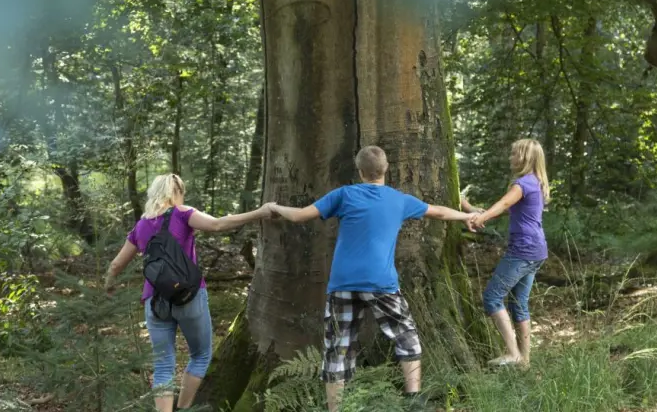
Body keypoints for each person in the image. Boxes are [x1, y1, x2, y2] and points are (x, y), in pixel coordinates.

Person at [268, 145, 478, 412]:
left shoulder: (344, 195)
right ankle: (413, 399)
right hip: (381, 283)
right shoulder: (399, 200)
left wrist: (274, 207)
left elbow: (299, 216)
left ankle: (335, 409)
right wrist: (468, 216)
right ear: (386, 168)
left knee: (337, 348)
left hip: (342, 284)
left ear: (360, 171)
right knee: (406, 335)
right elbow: (438, 212)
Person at [104, 173, 272, 412]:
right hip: (189, 296)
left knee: (163, 365)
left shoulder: (140, 226)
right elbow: (217, 224)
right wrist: (261, 212)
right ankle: (183, 408)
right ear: (177, 193)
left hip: (155, 302)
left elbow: (115, 265)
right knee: (201, 355)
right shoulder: (182, 213)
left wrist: (109, 285)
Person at [470, 138, 549, 367]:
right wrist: (472, 210)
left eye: (514, 154)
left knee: (492, 297)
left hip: (523, 250)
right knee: (518, 303)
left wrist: (482, 218)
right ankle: (524, 361)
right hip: (536, 250)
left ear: (524, 158)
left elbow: (504, 204)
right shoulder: (536, 183)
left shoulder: (523, 184)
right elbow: (510, 210)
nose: (510, 158)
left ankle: (513, 353)